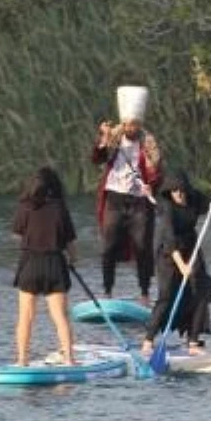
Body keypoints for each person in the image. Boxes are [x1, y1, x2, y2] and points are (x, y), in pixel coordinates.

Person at [141, 172, 211, 356]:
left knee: (200, 290)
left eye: (182, 191)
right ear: (169, 192)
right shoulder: (166, 207)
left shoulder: (195, 198)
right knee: (166, 295)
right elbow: (169, 240)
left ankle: (193, 341)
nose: (179, 195)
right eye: (175, 191)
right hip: (167, 251)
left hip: (191, 245)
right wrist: (182, 266)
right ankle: (148, 340)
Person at [11, 166, 77, 367]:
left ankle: (22, 360)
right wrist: (72, 260)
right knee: (60, 317)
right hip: (55, 264)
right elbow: (70, 242)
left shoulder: (25, 206)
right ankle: (69, 359)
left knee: (26, 317)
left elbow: (16, 234)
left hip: (30, 263)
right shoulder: (60, 208)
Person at [92, 117, 162, 305]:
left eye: (135, 124)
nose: (131, 128)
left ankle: (145, 293)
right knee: (108, 247)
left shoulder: (148, 143)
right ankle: (107, 292)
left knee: (142, 247)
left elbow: (157, 172)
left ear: (139, 125)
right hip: (114, 199)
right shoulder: (114, 139)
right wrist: (104, 138)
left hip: (139, 201)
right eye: (128, 124)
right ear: (123, 125)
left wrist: (151, 183)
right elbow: (97, 158)